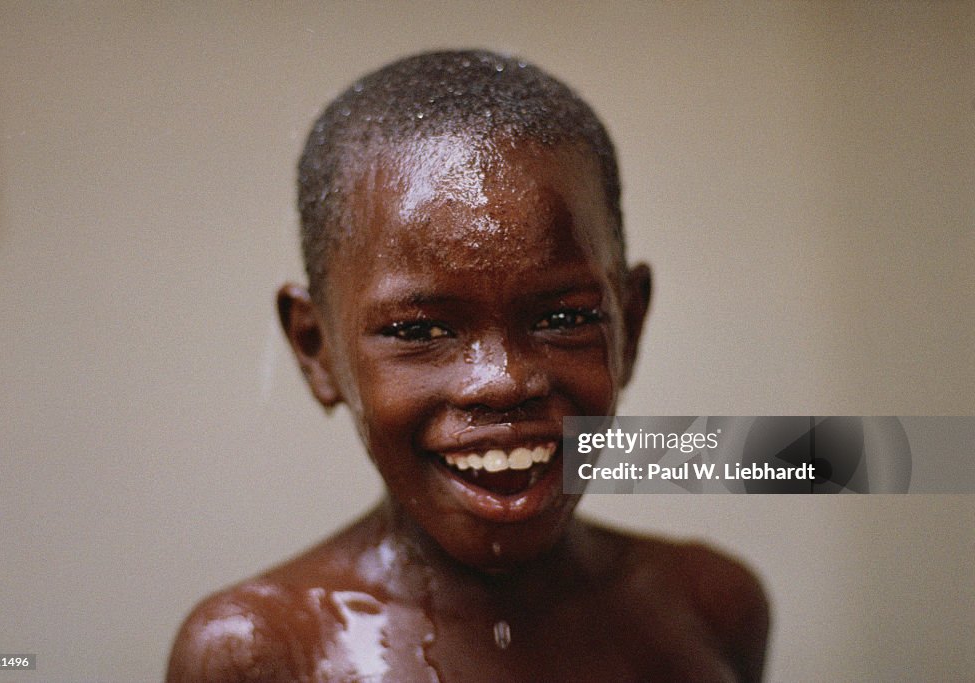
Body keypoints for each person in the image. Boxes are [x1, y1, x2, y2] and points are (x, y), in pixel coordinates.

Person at [167, 49, 768, 682]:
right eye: (417, 330)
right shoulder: (259, 652)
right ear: (317, 350)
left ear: (631, 324)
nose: (503, 380)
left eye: (564, 319)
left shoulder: (710, 606)